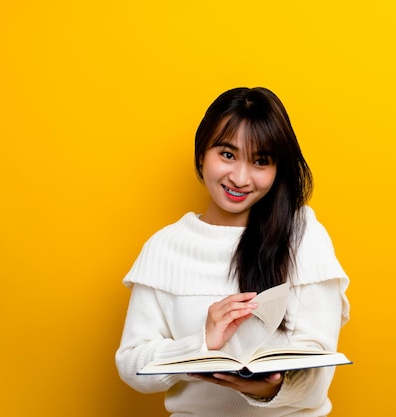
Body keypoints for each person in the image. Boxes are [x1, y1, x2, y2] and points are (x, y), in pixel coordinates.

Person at [115, 87, 350, 417]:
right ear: (201, 154)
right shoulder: (164, 247)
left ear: (276, 169)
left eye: (260, 161)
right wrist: (201, 344)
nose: (240, 178)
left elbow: (319, 373)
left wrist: (269, 388)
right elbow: (131, 365)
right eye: (227, 154)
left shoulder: (303, 236)